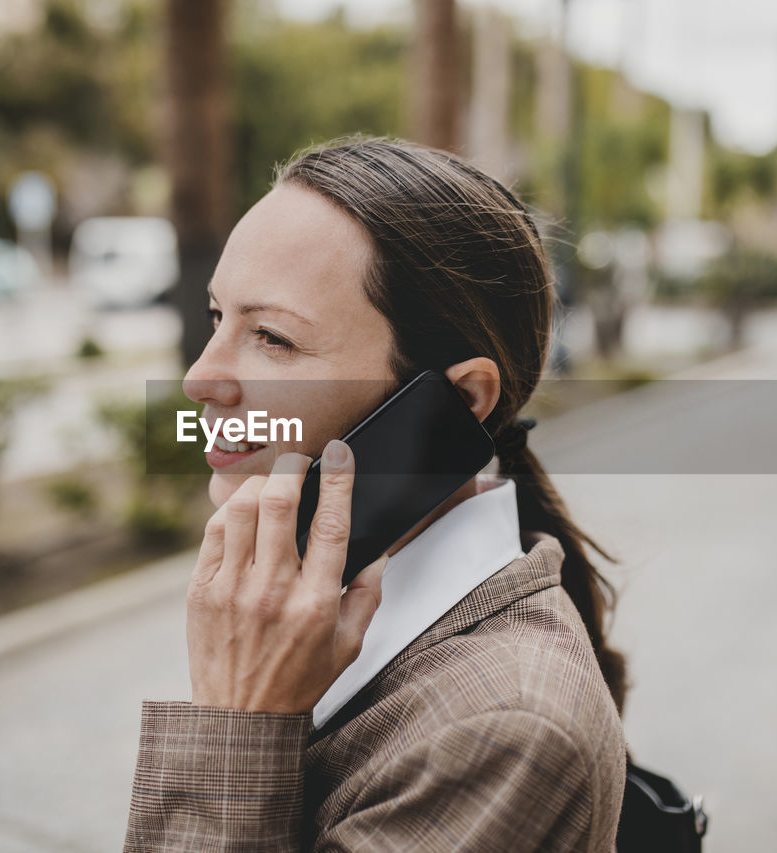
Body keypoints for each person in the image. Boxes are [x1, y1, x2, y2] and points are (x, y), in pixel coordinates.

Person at [124, 137, 629, 852]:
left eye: (271, 337)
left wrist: (237, 720)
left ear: (459, 400)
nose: (200, 380)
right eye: (217, 318)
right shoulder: (319, 610)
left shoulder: (505, 731)